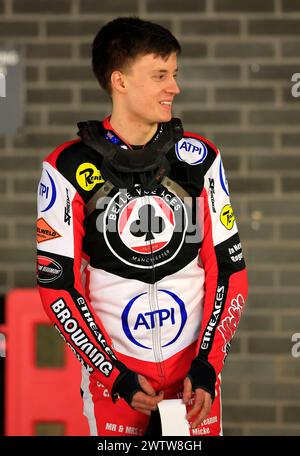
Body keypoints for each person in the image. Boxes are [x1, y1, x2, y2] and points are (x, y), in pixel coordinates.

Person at [36, 16, 248, 437]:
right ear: (120, 80)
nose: (175, 87)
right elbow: (58, 287)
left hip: (195, 382)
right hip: (117, 384)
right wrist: (114, 375)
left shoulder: (199, 158)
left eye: (175, 74)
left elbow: (229, 270)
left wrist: (208, 363)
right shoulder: (65, 167)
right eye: (160, 75)